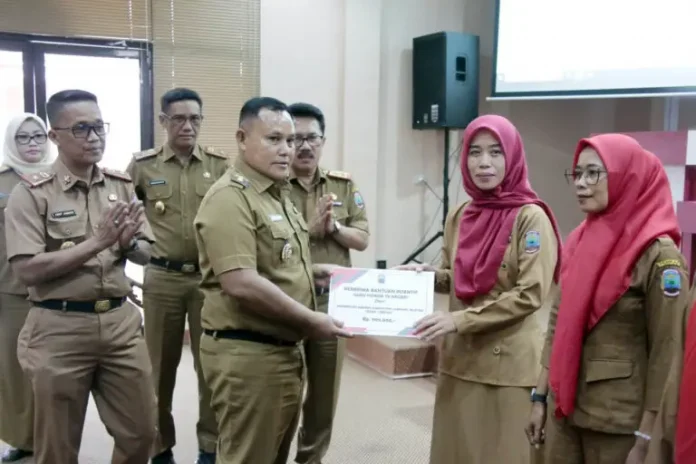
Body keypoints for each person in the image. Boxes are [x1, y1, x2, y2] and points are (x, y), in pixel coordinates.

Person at [193, 96, 352, 464]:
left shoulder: (275, 194)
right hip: (249, 357)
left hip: (281, 352)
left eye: (290, 140)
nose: (287, 150)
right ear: (241, 138)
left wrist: (316, 274)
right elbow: (240, 283)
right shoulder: (230, 199)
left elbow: (276, 263)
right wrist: (312, 320)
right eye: (274, 139)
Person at [398, 114, 562, 464]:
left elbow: (530, 294)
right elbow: (456, 275)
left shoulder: (531, 217)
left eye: (495, 152)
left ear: (512, 156)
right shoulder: (460, 215)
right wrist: (426, 275)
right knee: (456, 452)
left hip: (508, 366)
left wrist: (459, 320)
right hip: (460, 358)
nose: (484, 162)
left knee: (503, 455)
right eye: (474, 152)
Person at [4, 89, 157, 464]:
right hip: (59, 327)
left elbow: (146, 250)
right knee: (57, 445)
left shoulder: (120, 184)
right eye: (81, 129)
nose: (94, 137)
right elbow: (27, 269)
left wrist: (128, 244)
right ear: (54, 136)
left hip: (120, 324)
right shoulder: (31, 194)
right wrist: (98, 242)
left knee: (141, 433)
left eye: (99, 127)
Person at [525, 133, 691, 464]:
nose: (580, 183)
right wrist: (539, 397)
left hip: (618, 423)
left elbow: (668, 352)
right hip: (564, 409)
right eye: (577, 173)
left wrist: (647, 438)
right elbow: (557, 325)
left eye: (593, 173)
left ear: (626, 177)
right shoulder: (579, 240)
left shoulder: (659, 256)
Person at [127, 87, 226, 464]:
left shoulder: (219, 166)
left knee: (212, 367)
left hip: (208, 281)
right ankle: (160, 447)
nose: (188, 126)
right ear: (163, 121)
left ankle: (209, 447)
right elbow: (123, 216)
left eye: (195, 118)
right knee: (157, 369)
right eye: (179, 119)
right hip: (162, 278)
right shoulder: (143, 166)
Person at [287, 102, 370, 464]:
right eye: (296, 138)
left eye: (312, 138)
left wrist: (334, 227)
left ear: (323, 140)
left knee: (324, 395)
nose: (305, 146)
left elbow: (362, 238)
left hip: (333, 302)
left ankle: (310, 459)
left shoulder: (342, 185)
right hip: (286, 298)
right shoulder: (271, 187)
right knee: (283, 391)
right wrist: (308, 231)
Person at [0, 113, 54, 462]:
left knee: (55, 369)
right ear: (11, 142)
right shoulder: (2, 180)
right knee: (15, 369)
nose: (32, 143)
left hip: (58, 288)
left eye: (38, 136)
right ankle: (23, 439)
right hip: (11, 289)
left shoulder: (60, 176)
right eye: (23, 137)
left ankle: (54, 435)